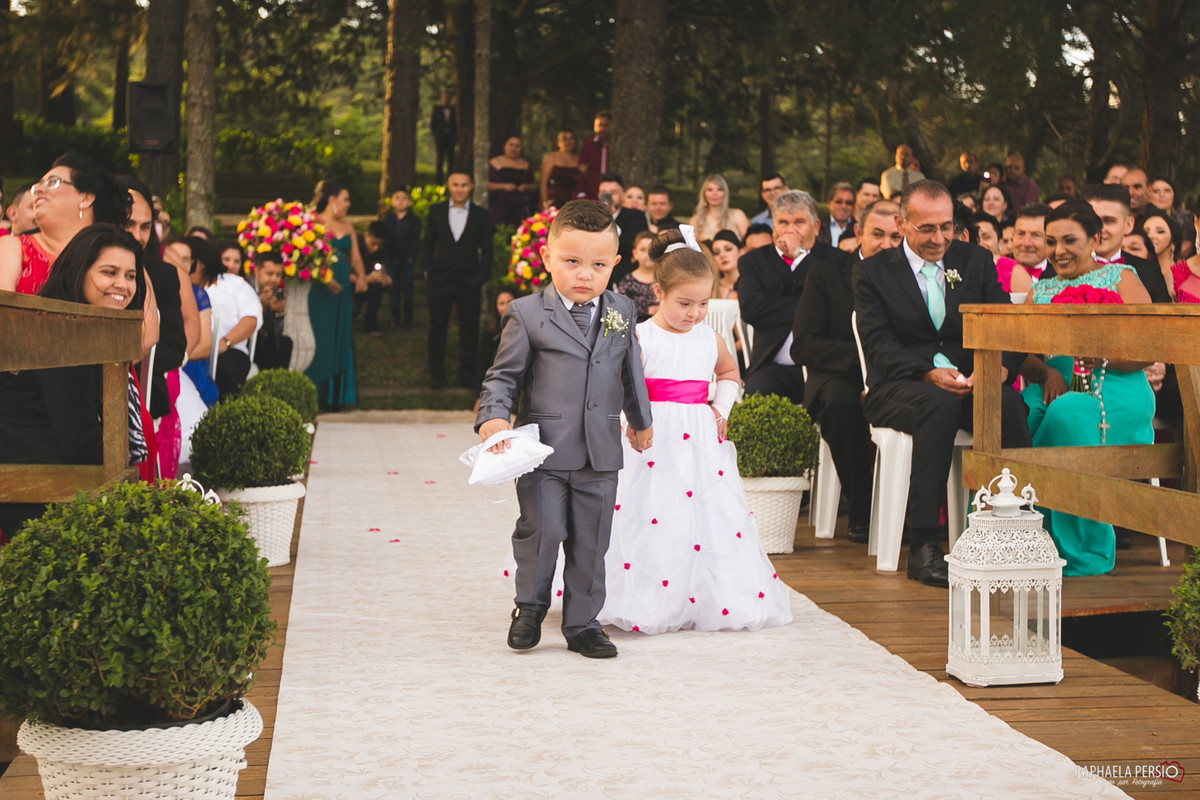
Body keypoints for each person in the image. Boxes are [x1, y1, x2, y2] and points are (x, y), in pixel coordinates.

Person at [476, 199, 653, 659]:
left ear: (615, 264)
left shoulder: (622, 310)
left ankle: (583, 623)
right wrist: (493, 414)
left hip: (600, 448)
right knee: (543, 529)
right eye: (572, 262)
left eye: (597, 265)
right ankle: (530, 608)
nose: (584, 275)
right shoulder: (527, 313)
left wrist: (640, 420)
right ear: (547, 258)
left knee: (593, 539)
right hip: (544, 452)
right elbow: (503, 375)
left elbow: (630, 370)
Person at [598, 226, 792, 634]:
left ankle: (707, 594)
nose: (694, 313)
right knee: (650, 511)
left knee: (704, 512)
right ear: (658, 293)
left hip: (698, 436)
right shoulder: (639, 337)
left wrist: (720, 410)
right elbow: (619, 384)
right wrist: (630, 421)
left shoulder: (709, 338)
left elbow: (729, 373)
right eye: (684, 303)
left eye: (703, 303)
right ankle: (644, 594)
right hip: (650, 434)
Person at [853, 180, 1031, 587]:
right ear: (901, 223)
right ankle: (923, 547)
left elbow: (1006, 322)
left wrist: (1002, 368)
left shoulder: (975, 261)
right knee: (939, 405)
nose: (939, 239)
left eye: (947, 227)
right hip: (898, 385)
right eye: (927, 229)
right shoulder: (872, 272)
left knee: (1005, 402)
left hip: (968, 380)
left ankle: (1013, 532)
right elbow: (877, 342)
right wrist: (925, 371)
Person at [1016, 200, 1153, 575]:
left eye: (1069, 240)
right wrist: (1046, 374)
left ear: (1095, 238)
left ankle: (1073, 548)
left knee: (1067, 413)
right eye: (1051, 241)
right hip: (1054, 382)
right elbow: (1020, 354)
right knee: (1015, 413)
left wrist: (1101, 355)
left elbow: (1151, 349)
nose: (1058, 251)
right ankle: (1007, 539)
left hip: (1116, 386)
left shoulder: (1121, 278)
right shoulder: (1040, 291)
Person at [0, 224, 145, 538]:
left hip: (67, 487)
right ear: (78, 271)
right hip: (42, 499)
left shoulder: (86, 328)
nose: (123, 285)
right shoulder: (59, 333)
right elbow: (78, 439)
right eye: (109, 272)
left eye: (130, 276)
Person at [793, 199, 902, 544]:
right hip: (838, 375)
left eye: (896, 237)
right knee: (842, 404)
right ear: (858, 233)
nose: (887, 245)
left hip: (896, 375)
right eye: (878, 235)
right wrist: (861, 361)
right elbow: (804, 345)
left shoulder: (911, 279)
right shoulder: (825, 273)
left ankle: (911, 509)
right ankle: (864, 509)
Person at [736, 189, 835, 405]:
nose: (790, 230)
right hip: (773, 366)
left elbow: (836, 304)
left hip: (825, 365)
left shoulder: (836, 260)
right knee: (758, 393)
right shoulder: (754, 261)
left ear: (816, 226)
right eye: (783, 222)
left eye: (799, 222)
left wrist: (799, 257)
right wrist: (812, 307)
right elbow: (753, 309)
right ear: (773, 227)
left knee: (838, 398)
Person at [0, 152, 131, 294]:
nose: (38, 189)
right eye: (38, 184)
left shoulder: (120, 255)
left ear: (86, 198)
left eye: (52, 182)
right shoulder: (10, 246)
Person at [422, 171, 494, 390]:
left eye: (464, 184)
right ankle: (436, 376)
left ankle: (468, 377)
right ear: (449, 186)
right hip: (440, 279)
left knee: (469, 329)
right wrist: (428, 270)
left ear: (471, 186)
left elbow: (487, 249)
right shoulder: (436, 212)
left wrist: (481, 275)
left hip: (469, 280)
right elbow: (427, 244)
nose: (460, 188)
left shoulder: (481, 215)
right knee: (437, 328)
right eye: (456, 184)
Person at [311, 179, 366, 408]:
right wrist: (325, 277)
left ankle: (337, 396)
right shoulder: (313, 223)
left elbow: (356, 258)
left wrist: (361, 276)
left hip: (342, 291)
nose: (348, 204)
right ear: (332, 200)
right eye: (345, 199)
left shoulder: (348, 228)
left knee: (340, 336)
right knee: (320, 336)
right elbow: (308, 257)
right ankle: (317, 393)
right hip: (320, 289)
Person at [191, 236, 262, 398]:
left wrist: (225, 342)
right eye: (226, 259)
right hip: (194, 348)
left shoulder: (237, 284)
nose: (230, 265)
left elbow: (250, 319)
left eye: (236, 261)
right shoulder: (194, 283)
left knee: (227, 369)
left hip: (229, 348)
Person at [1082, 183, 1172, 303]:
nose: (1100, 229)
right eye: (1093, 221)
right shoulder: (1063, 271)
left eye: (1109, 221)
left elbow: (1163, 320)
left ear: (1128, 225)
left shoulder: (1150, 272)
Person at [381, 187, 422, 327]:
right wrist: (385, 258)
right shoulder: (388, 219)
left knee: (408, 289)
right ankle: (395, 319)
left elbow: (416, 240)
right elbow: (384, 240)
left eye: (404, 198)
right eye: (397, 198)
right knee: (394, 290)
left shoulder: (414, 220)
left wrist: (411, 257)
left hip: (407, 260)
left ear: (409, 202)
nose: (400, 202)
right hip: (391, 260)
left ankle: (408, 319)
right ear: (392, 201)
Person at [253, 252, 293, 371]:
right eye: (269, 274)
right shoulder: (245, 288)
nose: (274, 279)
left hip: (267, 343)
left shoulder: (277, 293)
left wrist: (279, 313)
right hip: (248, 341)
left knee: (285, 343)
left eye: (278, 275)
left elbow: (277, 334)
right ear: (257, 271)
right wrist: (261, 306)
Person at [487, 135, 535, 226]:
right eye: (511, 145)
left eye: (517, 146)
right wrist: (504, 186)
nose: (514, 148)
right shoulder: (494, 162)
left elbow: (533, 186)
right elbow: (486, 184)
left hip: (520, 207)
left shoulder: (525, 165)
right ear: (504, 146)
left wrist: (526, 187)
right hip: (499, 206)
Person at [1004, 203, 1051, 294]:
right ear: (1013, 237)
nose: (1026, 243)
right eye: (1021, 234)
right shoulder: (994, 271)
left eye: (1036, 235)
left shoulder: (1061, 276)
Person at [356, 220, 394, 334]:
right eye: (373, 243)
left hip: (368, 288)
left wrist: (385, 278)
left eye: (380, 245)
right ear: (366, 235)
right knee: (353, 310)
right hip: (350, 287)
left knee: (378, 286)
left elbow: (381, 267)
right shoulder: (355, 246)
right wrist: (366, 279)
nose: (376, 248)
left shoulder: (380, 252)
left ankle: (371, 321)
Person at [688, 174, 749, 241]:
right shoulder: (695, 220)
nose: (714, 193)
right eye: (710, 190)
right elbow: (691, 248)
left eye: (719, 189)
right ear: (704, 194)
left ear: (725, 193)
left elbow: (750, 243)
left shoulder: (737, 215)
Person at [615, 230, 658, 322]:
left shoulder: (665, 279)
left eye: (652, 249)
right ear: (635, 254)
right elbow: (622, 306)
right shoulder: (628, 281)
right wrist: (647, 309)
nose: (648, 254)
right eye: (643, 250)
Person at [539, 128, 584, 210]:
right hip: (553, 201)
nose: (568, 142)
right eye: (564, 139)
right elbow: (543, 183)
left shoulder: (579, 160)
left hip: (572, 202)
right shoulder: (551, 158)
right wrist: (545, 204)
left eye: (571, 138)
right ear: (558, 142)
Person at [577, 110, 613, 200]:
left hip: (612, 190)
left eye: (606, 125)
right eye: (599, 125)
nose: (602, 129)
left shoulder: (615, 145)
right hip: (593, 191)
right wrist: (581, 193)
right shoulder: (588, 144)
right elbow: (581, 170)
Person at [1142, 208, 1182, 278]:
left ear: (1173, 242)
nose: (1150, 236)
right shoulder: (1134, 272)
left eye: (1160, 231)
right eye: (1146, 232)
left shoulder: (1184, 276)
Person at [431, 90, 456, 184]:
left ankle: (450, 180)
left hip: (451, 139)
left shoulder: (454, 109)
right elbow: (433, 124)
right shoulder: (437, 109)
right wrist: (437, 135)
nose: (446, 99)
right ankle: (438, 181)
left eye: (448, 97)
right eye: (444, 97)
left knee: (451, 161)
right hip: (440, 139)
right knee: (439, 160)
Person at [710, 229, 741, 299]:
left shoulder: (753, 282)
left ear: (741, 252)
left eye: (728, 249)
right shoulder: (713, 288)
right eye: (716, 252)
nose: (722, 255)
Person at [823, 182, 856, 246]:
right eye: (839, 202)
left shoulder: (859, 231)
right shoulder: (818, 228)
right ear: (829, 203)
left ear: (853, 206)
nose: (844, 206)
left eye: (848, 203)